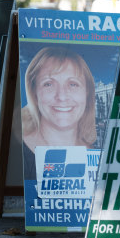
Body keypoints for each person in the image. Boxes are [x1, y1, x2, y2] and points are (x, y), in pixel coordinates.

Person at [21, 46, 96, 180]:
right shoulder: (15, 153)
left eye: (73, 84)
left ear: (87, 93)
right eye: (48, 84)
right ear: (34, 93)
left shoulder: (102, 154)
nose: (61, 96)